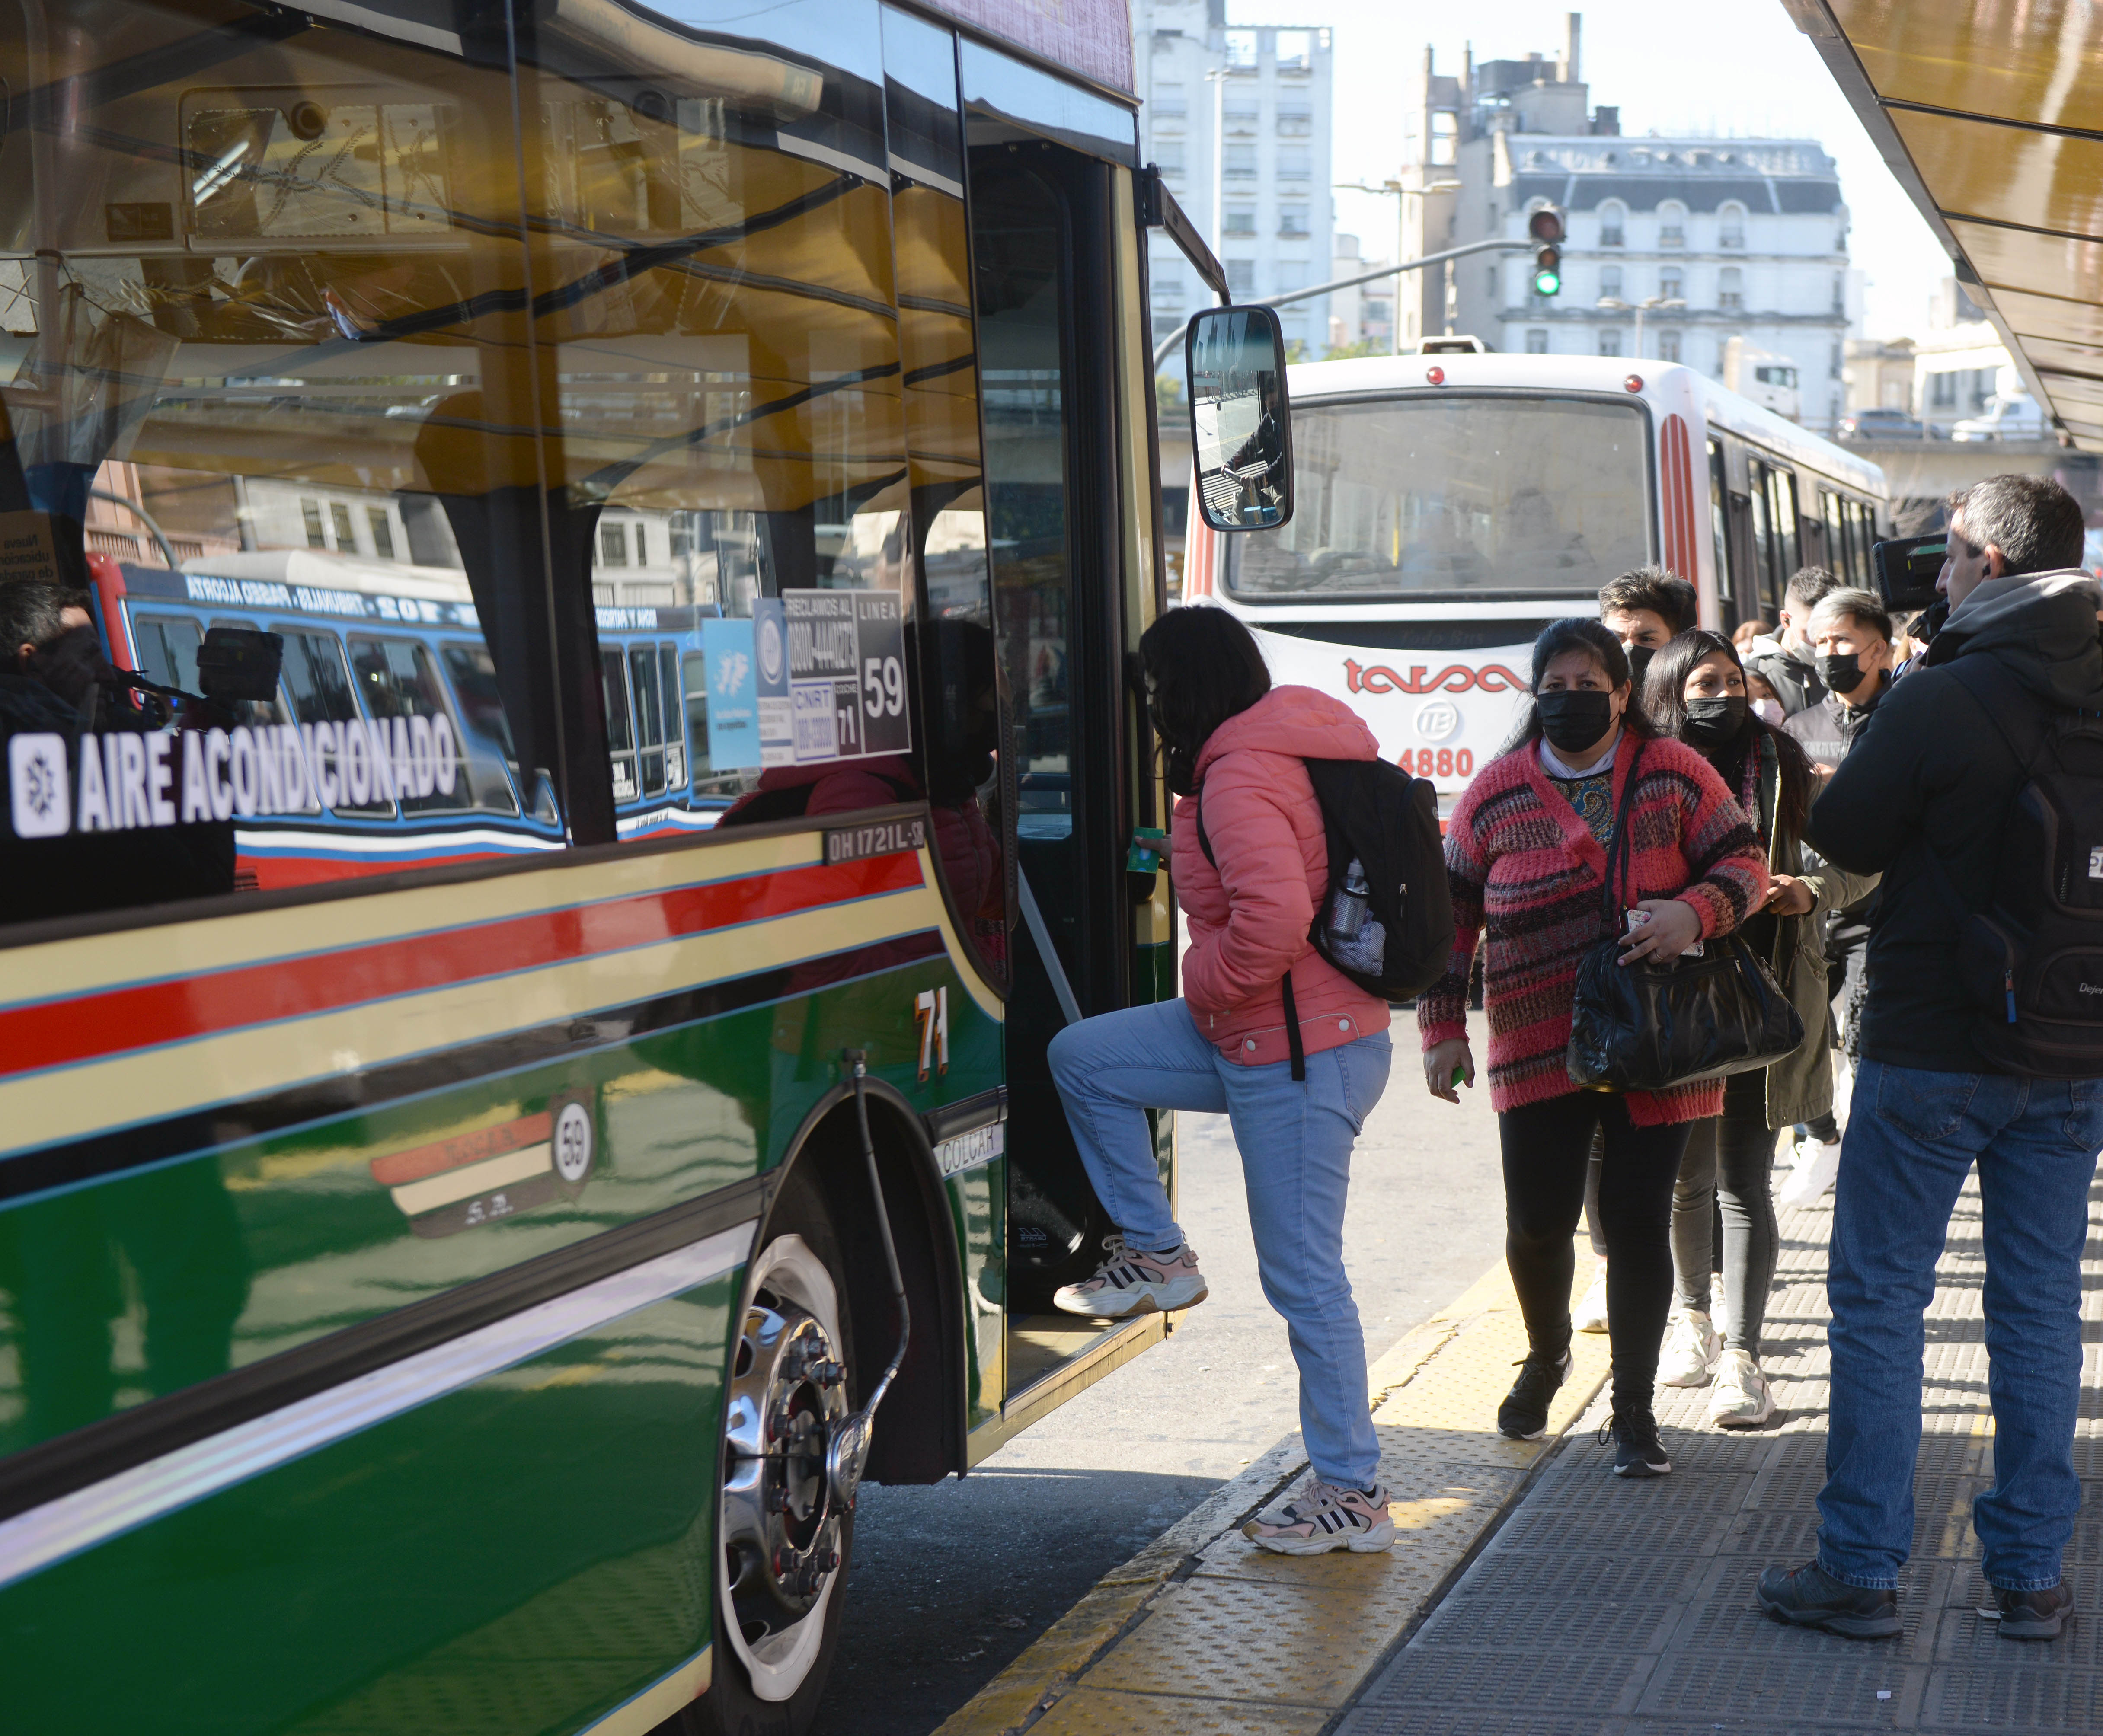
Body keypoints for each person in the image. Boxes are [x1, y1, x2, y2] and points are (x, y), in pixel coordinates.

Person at [1760, 473, 2103, 1642]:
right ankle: (2031, 1576)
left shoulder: (1945, 693)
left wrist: (1808, 763)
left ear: (1993, 566)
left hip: (1930, 1043)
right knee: (2039, 1307)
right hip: (2074, 1041)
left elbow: (1848, 835)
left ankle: (1860, 1569)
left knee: (1880, 1302)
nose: (1936, 574)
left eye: (1949, 555)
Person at [1046, 604, 1398, 1554]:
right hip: (1273, 1035)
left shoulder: (1238, 775)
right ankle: (1158, 1254)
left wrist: (1198, 982)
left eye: (1155, 687)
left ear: (1182, 688)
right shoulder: (1267, 753)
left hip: (1297, 1048)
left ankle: (1350, 1493)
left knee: (1304, 1280)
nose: (1150, 707)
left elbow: (1277, 920)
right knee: (1085, 1059)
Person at [1419, 618, 1769, 1477]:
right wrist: (1438, 1029)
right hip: (1533, 1044)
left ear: (1622, 692)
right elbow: (1447, 919)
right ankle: (1545, 1356)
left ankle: (1632, 1409)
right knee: (1537, 1224)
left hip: (1658, 1038)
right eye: (1553, 685)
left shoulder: (1673, 774)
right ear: (1533, 693)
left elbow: (1745, 866)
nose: (1568, 700)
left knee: (1637, 1220)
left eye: (1588, 685)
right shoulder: (1495, 791)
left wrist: (1693, 911)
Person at [1642, 630, 1876, 1427]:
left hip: (1761, 1000)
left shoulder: (1786, 764)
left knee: (1742, 1181)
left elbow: (1862, 858)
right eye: (1702, 683)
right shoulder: (1639, 769)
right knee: (1685, 1180)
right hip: (1667, 1009)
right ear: (1669, 694)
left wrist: (1809, 889)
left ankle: (1741, 1359)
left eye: (1732, 681)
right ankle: (1691, 1321)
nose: (1722, 696)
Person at [1570, 567, 1703, 1331]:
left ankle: (1695, 1311)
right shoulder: (1568, 735)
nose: (1622, 654)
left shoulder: (1688, 744)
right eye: (1613, 638)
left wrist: (1690, 914)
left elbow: (1736, 857)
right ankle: (1607, 1268)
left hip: (1682, 988)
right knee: (1593, 1143)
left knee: (1690, 1170)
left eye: (1641, 641)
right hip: (1591, 989)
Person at [1776, 588, 1896, 1206]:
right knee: (1802, 1034)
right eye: (1821, 642)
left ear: (1881, 648)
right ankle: (1821, 1139)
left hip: (1888, 911)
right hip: (1813, 908)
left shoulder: (1908, 717)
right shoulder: (1801, 728)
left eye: (1843, 641)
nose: (1830, 654)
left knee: (1865, 1036)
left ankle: (1857, 1158)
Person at [1742, 566, 1840, 716]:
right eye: (1811, 632)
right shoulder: (1754, 673)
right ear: (1786, 620)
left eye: (1834, 632)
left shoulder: (1845, 668)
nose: (1822, 642)